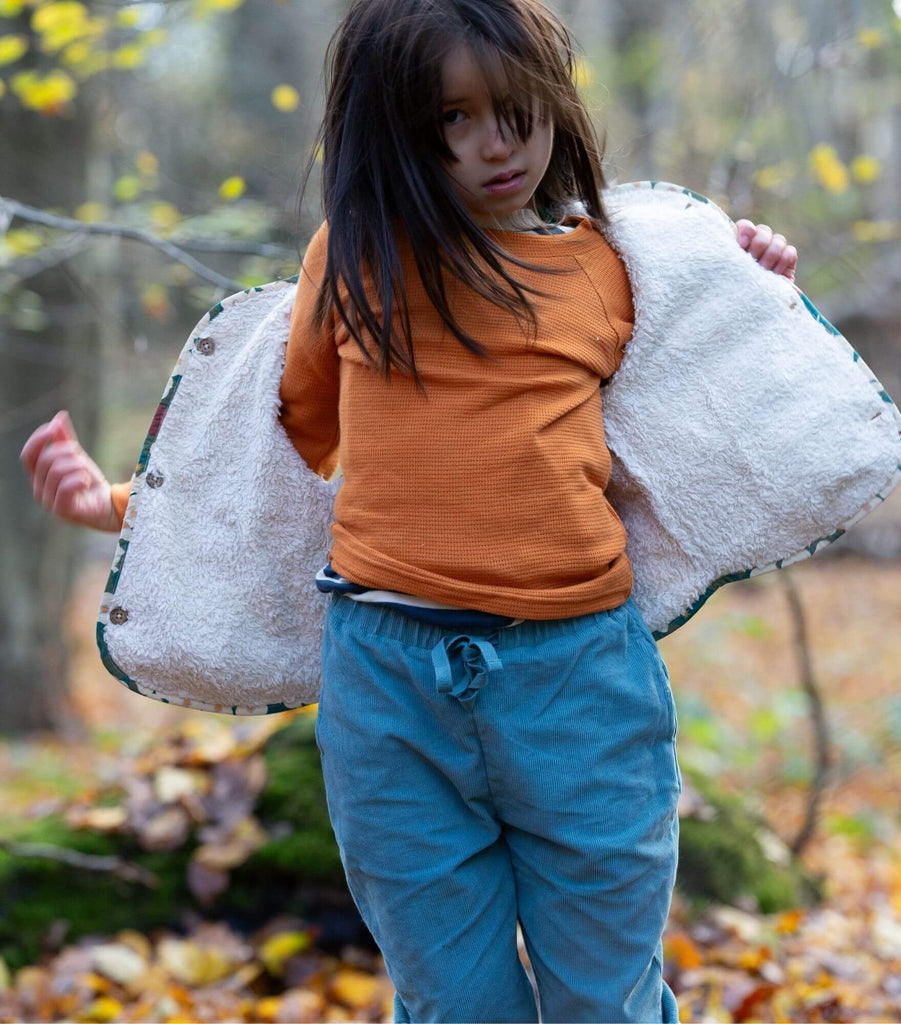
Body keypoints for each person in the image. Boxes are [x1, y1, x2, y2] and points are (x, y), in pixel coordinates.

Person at [22, 0, 798, 1019]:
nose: (495, 144)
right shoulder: (355, 260)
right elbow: (279, 459)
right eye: (451, 119)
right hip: (389, 694)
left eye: (515, 108)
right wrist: (120, 505)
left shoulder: (610, 267)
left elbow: (699, 408)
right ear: (391, 129)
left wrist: (749, 282)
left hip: (579, 680)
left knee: (604, 999)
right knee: (453, 1003)